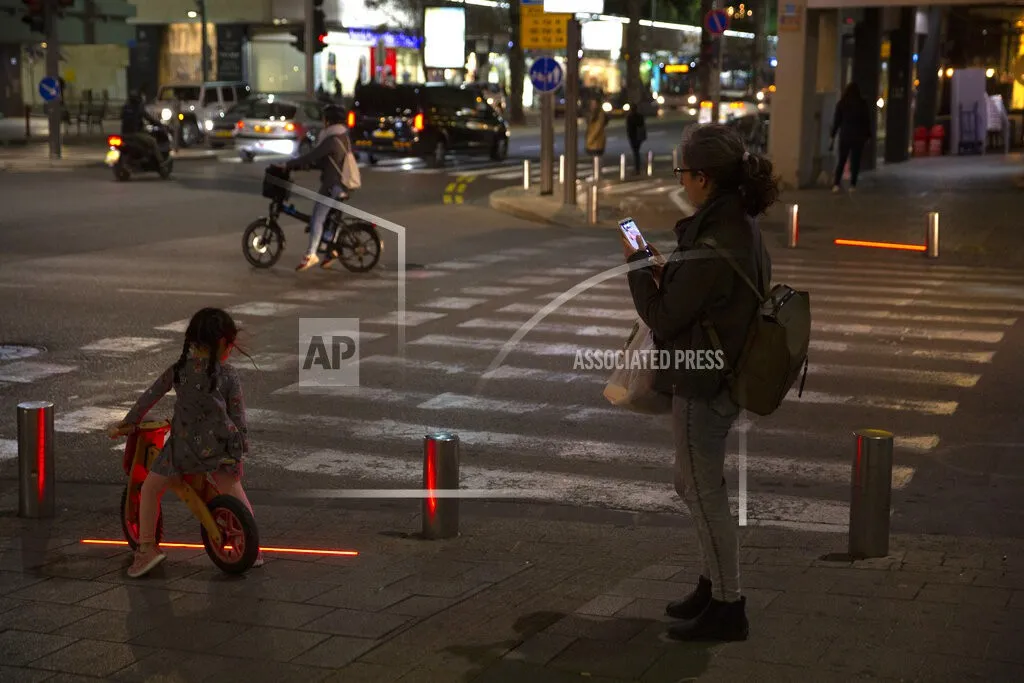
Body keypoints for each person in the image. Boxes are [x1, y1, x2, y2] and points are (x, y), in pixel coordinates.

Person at [621, 123, 779, 642]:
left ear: (704, 177)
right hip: (724, 372)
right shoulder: (740, 226)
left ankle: (728, 606)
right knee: (693, 483)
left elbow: (664, 318)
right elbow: (705, 298)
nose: (682, 182)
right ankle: (712, 586)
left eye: (683, 174)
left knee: (701, 489)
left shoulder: (713, 239)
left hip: (704, 379)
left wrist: (640, 266)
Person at [107, 308, 263, 578]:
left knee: (150, 489)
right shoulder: (228, 374)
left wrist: (129, 423)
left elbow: (149, 397)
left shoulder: (179, 371)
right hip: (220, 448)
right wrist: (240, 447)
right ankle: (252, 548)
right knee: (233, 489)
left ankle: (146, 549)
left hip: (183, 450)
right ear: (222, 344)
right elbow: (238, 414)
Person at [272, 104, 354, 271]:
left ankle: (311, 254)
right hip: (340, 185)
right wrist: (305, 166)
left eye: (325, 119)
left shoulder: (332, 140)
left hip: (333, 186)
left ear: (329, 121)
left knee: (317, 218)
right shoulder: (343, 137)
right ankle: (331, 251)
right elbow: (325, 161)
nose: (323, 122)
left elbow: (312, 156)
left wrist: (289, 164)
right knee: (330, 219)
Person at [829, 82, 873, 193]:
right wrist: (868, 135)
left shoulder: (842, 103)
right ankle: (853, 184)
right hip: (858, 136)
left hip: (845, 135)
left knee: (842, 160)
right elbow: (866, 121)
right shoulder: (862, 103)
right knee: (855, 161)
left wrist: (833, 135)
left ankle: (836, 184)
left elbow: (837, 121)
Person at [120, 91, 165, 164]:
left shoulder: (125, 108)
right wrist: (159, 124)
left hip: (124, 134)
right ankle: (161, 162)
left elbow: (121, 117)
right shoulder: (139, 108)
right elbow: (150, 119)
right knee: (153, 141)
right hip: (135, 133)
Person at [626, 102, 646, 174]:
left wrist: (629, 136)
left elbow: (628, 128)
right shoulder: (640, 116)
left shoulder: (630, 117)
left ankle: (637, 168)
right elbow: (642, 126)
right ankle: (637, 168)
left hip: (633, 137)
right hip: (638, 137)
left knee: (636, 153)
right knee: (636, 152)